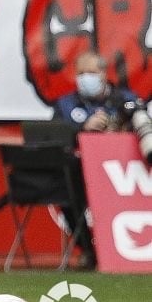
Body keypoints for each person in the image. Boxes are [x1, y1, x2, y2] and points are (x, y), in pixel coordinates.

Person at [52, 50, 139, 270]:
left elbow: (142, 126)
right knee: (66, 190)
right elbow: (53, 137)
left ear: (103, 73)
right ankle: (88, 250)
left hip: (123, 171)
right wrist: (83, 129)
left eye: (90, 72)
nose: (85, 78)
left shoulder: (125, 100)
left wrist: (118, 128)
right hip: (81, 171)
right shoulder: (65, 105)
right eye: (81, 73)